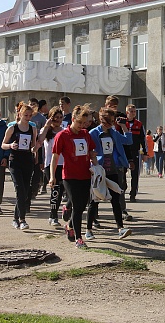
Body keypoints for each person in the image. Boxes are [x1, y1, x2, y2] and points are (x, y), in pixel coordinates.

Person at [49, 105, 98, 249]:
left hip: (85, 174)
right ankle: (79, 238)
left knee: (82, 206)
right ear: (72, 120)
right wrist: (52, 176)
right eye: (79, 122)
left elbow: (91, 152)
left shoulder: (85, 134)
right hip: (69, 176)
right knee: (77, 205)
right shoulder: (62, 136)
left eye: (84, 123)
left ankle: (69, 226)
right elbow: (55, 156)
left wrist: (97, 168)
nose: (82, 126)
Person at [89, 107, 133, 239]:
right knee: (95, 200)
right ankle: (88, 229)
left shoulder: (113, 132)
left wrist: (124, 126)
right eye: (108, 121)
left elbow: (128, 140)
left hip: (113, 169)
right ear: (101, 120)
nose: (111, 124)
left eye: (112, 121)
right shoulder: (93, 133)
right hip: (99, 170)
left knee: (116, 199)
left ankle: (120, 228)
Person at [2, 102, 37, 230]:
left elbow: (33, 146)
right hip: (15, 160)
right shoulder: (12, 128)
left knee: (25, 191)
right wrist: (11, 146)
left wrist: (35, 149)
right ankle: (22, 219)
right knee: (19, 189)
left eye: (29, 115)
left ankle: (15, 218)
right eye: (25, 115)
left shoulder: (32, 129)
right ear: (20, 114)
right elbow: (3, 144)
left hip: (27, 160)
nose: (27, 118)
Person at [37, 106, 65, 226]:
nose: (58, 120)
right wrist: (47, 126)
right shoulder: (46, 131)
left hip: (63, 163)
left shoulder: (64, 131)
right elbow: (39, 141)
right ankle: (53, 216)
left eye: (60, 117)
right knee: (55, 190)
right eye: (55, 118)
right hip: (50, 164)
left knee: (63, 190)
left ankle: (63, 210)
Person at [122, 104, 148, 202]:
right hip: (124, 152)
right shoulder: (122, 123)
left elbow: (143, 140)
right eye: (131, 111)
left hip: (135, 152)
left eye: (134, 111)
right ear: (127, 112)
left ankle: (133, 194)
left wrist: (145, 153)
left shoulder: (139, 124)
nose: (133, 113)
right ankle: (123, 189)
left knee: (135, 174)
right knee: (122, 173)